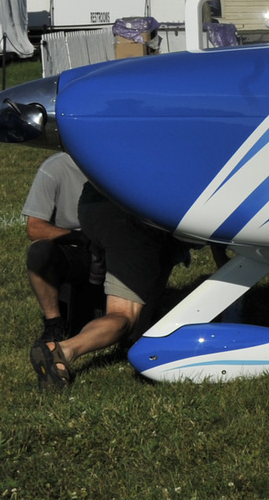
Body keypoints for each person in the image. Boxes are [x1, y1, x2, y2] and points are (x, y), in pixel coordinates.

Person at [28, 163, 182, 390]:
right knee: (123, 316)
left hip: (94, 203)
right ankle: (62, 351)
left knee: (158, 256)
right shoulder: (55, 167)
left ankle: (137, 337)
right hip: (129, 209)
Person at [22, 152, 100, 345]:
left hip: (116, 247)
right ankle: (54, 323)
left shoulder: (121, 163)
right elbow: (34, 227)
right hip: (76, 249)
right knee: (39, 252)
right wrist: (80, 238)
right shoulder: (54, 168)